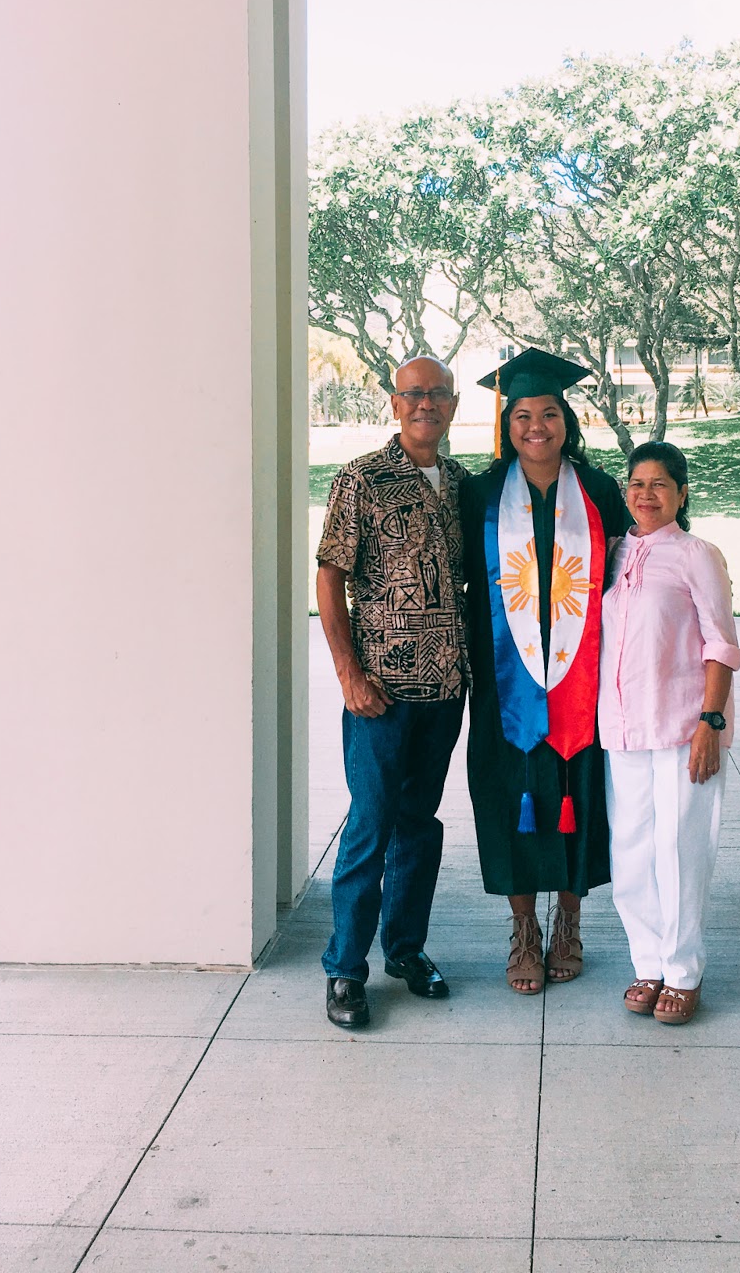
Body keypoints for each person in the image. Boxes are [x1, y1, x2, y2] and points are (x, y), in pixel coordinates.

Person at [461, 348, 630, 994]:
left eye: (550, 413)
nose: (537, 425)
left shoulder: (600, 491)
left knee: (579, 797)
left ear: (568, 420)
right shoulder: (477, 493)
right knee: (510, 800)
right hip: (506, 686)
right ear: (508, 425)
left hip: (583, 683)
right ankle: (525, 931)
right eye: (523, 414)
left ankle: (570, 925)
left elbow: (625, 580)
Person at [315, 356, 467, 1029]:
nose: (425, 404)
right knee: (371, 823)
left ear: (453, 405)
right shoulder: (363, 480)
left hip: (443, 690)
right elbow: (329, 577)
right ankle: (346, 970)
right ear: (395, 404)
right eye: (413, 395)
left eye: (436, 394)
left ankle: (405, 951)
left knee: (419, 824)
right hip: (379, 692)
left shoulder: (463, 485)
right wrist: (349, 672)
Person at [598, 441, 740, 1025]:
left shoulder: (696, 555)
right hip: (624, 726)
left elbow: (722, 643)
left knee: (680, 849)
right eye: (636, 483)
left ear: (682, 494)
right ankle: (648, 963)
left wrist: (711, 721)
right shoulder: (610, 553)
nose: (646, 494)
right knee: (631, 851)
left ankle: (683, 971)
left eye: (660, 484)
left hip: (685, 725)